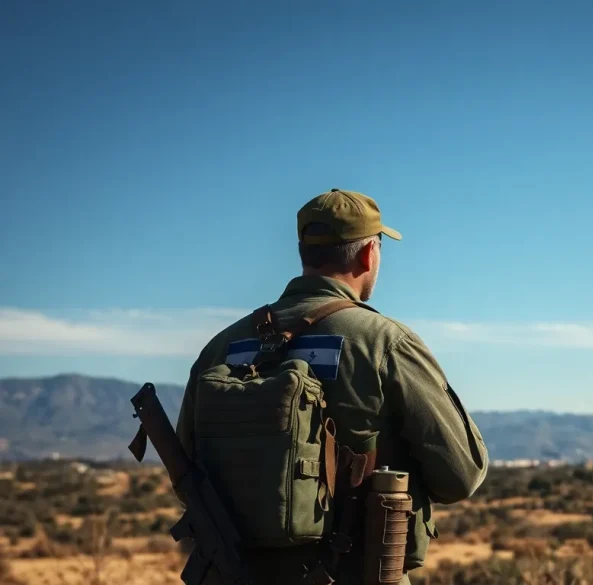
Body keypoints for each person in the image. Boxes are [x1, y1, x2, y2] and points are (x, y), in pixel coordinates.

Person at [174, 188, 489, 585]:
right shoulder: (384, 341)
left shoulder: (222, 345)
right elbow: (461, 475)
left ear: (304, 252)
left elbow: (186, 472)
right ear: (368, 254)